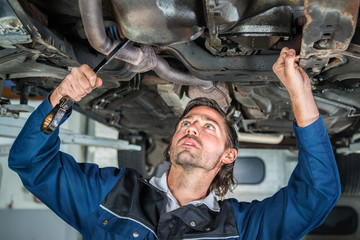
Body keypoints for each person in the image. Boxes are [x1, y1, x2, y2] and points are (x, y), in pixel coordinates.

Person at [9, 48, 341, 240]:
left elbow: (317, 195)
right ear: (171, 146)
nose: (192, 128)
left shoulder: (243, 227)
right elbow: (31, 163)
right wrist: (60, 98)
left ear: (229, 155)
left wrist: (300, 92)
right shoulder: (109, 193)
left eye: (208, 126)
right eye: (186, 123)